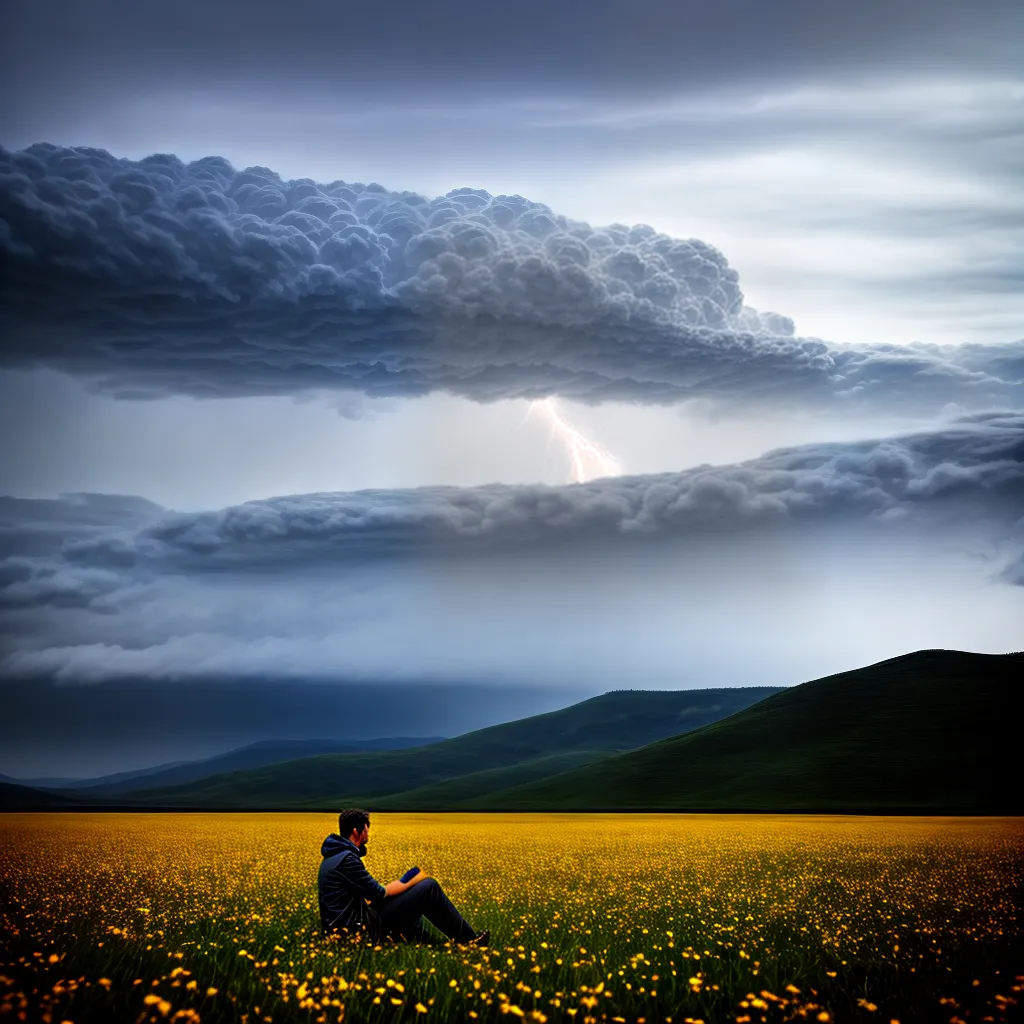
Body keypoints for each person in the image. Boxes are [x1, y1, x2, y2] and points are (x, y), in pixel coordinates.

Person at [318, 808, 490, 946]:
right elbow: (379, 893)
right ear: (357, 832)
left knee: (405, 899)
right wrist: (412, 879)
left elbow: (371, 894)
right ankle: (470, 941)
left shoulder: (333, 857)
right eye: (366, 831)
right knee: (428, 886)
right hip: (355, 931)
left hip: (347, 926)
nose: (367, 836)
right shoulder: (347, 860)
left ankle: (430, 944)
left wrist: (403, 889)